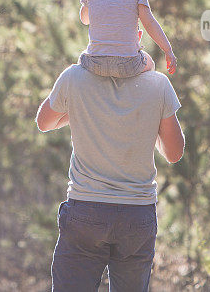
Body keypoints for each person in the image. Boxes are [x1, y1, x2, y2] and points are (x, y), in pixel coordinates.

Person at [36, 60, 184, 291]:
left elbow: (44, 122)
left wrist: (81, 108)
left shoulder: (74, 77)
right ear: (137, 36)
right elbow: (174, 153)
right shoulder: (158, 84)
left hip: (86, 208)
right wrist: (147, 116)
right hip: (137, 212)